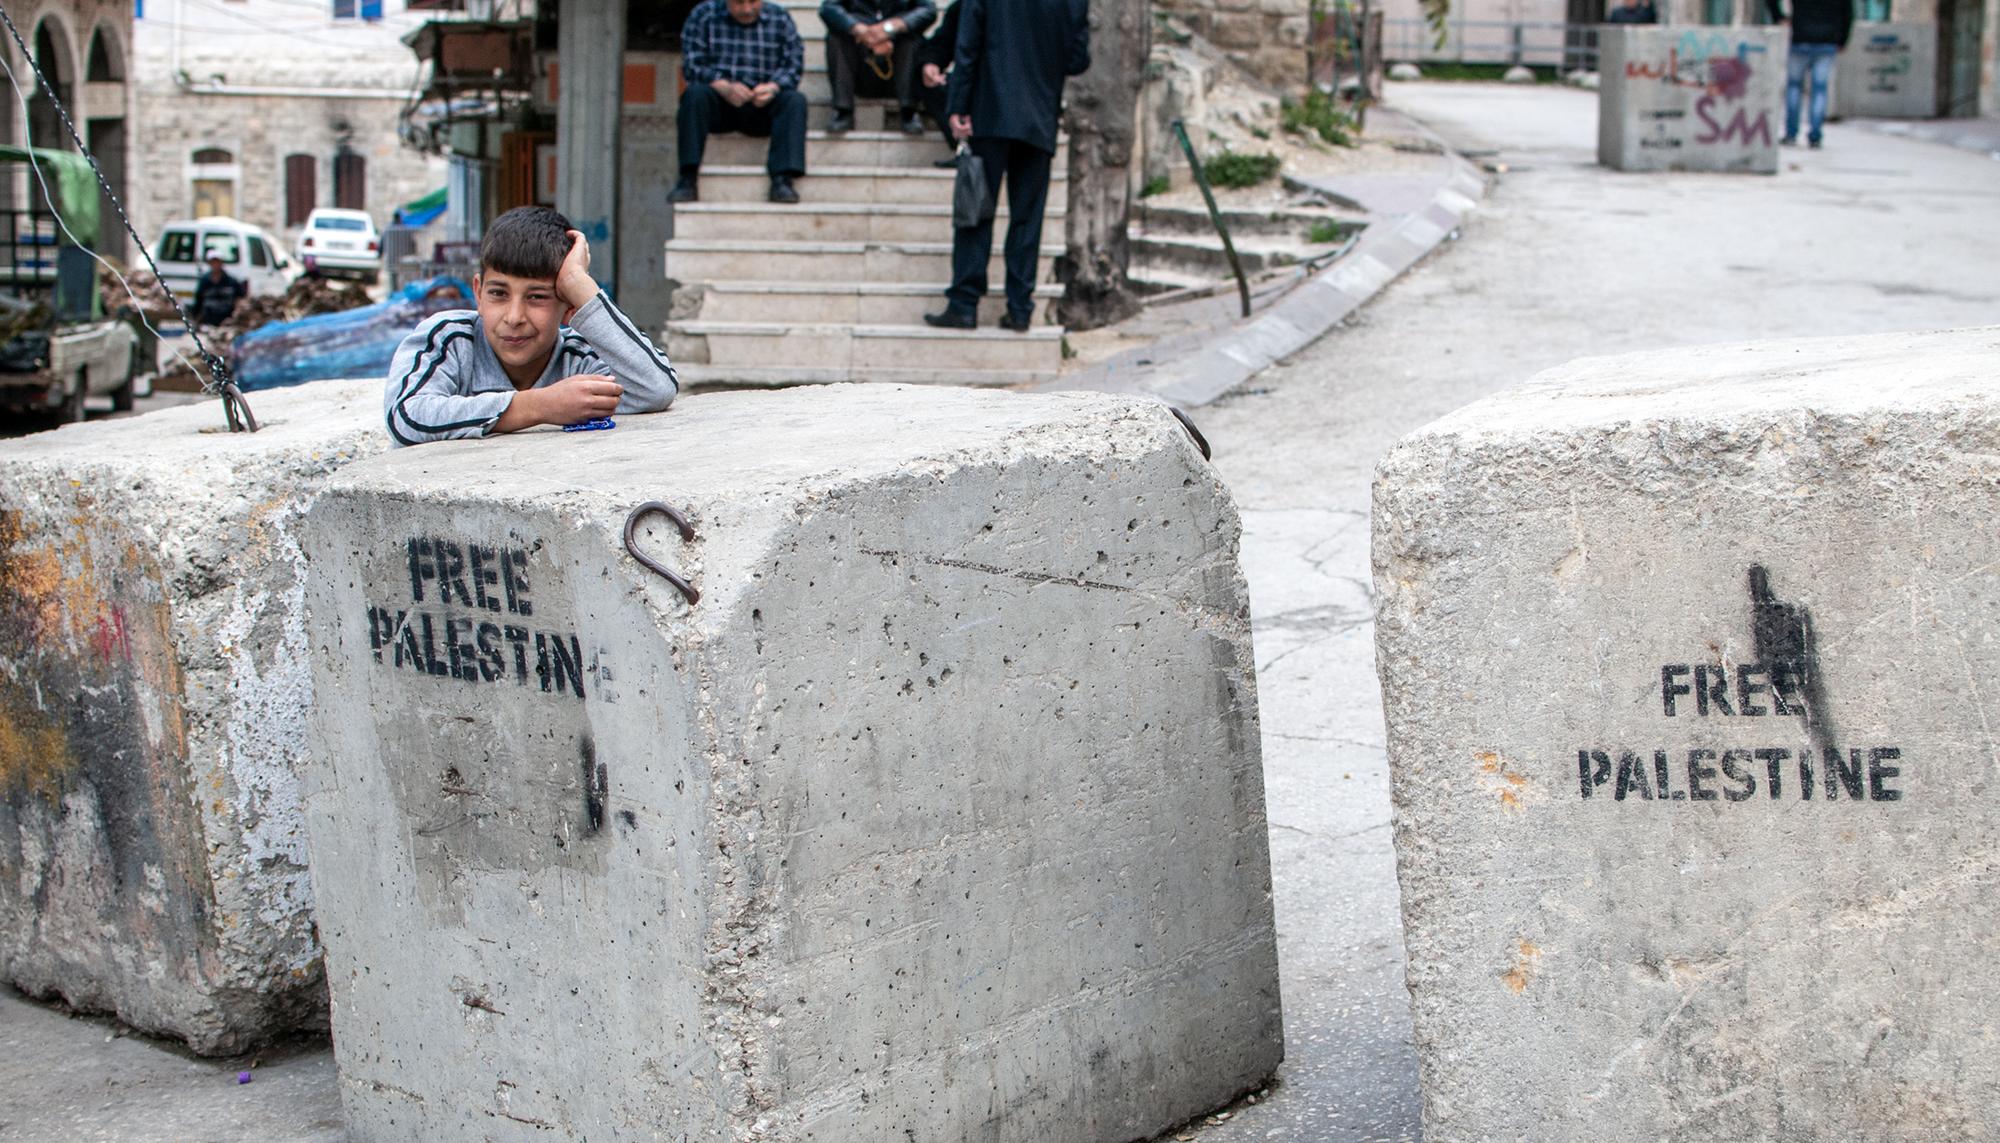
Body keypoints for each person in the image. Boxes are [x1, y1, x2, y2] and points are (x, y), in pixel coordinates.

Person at [383, 206, 678, 447]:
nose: (514, 317)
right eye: (498, 293)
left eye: (537, 297)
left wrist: (579, 283)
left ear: (565, 302)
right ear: (478, 293)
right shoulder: (450, 339)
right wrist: (539, 406)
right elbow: (407, 417)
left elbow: (655, 389)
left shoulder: (579, 358)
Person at [924, 0, 1089, 333]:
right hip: (1039, 116)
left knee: (976, 210)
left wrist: (957, 105)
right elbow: (1078, 59)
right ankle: (1020, 309)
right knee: (1027, 218)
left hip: (989, 110)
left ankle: (964, 304)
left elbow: (968, 45)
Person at [670, 0, 809, 204]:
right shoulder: (703, 15)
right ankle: (688, 178)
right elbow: (692, 64)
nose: (746, 9)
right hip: (720, 104)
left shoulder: (780, 18)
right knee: (694, 95)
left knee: (794, 101)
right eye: (738, 3)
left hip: (761, 106)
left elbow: (793, 65)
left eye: (753, 2)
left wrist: (773, 87)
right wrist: (721, 84)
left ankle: (782, 180)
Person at [820, 0, 937, 135]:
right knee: (836, 37)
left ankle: (909, 110)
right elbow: (829, 8)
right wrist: (859, 29)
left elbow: (928, 10)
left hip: (899, 58)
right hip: (860, 59)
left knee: (912, 40)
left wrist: (890, 29)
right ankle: (843, 109)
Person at [1766, 0, 1853, 148]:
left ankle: (1791, 133)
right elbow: (1848, 13)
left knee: (1794, 87)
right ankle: (1815, 135)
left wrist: (1779, 17)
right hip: (1827, 41)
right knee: (1819, 89)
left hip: (1800, 39)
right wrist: (1843, 40)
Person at [916, 1, 961, 162]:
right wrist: (931, 63)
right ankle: (963, 148)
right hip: (971, 83)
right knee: (928, 79)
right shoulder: (964, 7)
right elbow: (942, 43)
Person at [191, 254, 247, 328]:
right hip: (208, 320)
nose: (215, 265)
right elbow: (198, 301)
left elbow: (241, 298)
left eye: (217, 262)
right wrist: (196, 320)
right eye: (213, 262)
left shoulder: (231, 281)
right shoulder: (205, 281)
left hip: (226, 320)